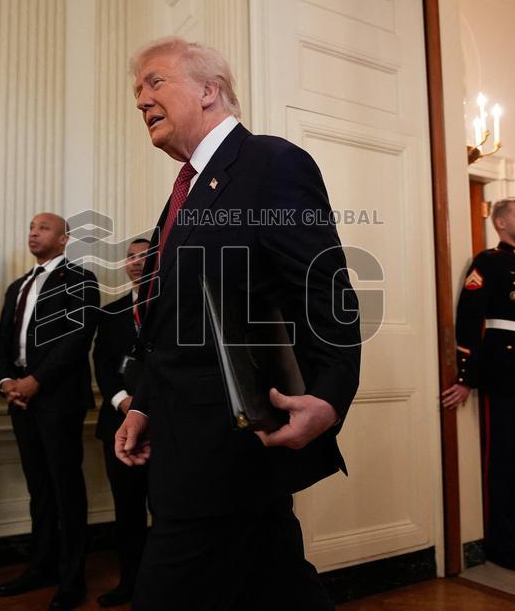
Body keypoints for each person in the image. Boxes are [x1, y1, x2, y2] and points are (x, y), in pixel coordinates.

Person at [116, 37, 361, 610]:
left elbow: (324, 287)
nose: (141, 100)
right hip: (189, 440)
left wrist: (329, 394)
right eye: (137, 91)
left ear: (209, 90)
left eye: (154, 82)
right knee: (276, 583)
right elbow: (174, 322)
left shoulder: (271, 163)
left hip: (223, 450)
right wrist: (147, 403)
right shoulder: (188, 190)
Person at [0, 212, 100, 610]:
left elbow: (77, 337)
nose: (33, 232)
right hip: (20, 399)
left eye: (43, 227)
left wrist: (36, 381)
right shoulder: (18, 286)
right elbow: (2, 340)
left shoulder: (81, 279)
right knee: (39, 489)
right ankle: (42, 566)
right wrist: (6, 383)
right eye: (31, 226)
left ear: (64, 238)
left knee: (65, 489)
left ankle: (72, 579)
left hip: (57, 399)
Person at [442, 197, 515, 573]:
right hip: (502, 375)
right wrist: (467, 377)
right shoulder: (488, 262)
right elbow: (469, 319)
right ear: (500, 222)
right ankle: (500, 543)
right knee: (500, 461)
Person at [92, 238, 151, 607]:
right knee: (127, 511)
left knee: (167, 509)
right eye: (130, 257)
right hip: (116, 425)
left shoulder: (173, 309)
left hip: (165, 427)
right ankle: (129, 582)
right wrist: (124, 402)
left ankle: (163, 583)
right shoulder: (111, 313)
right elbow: (102, 365)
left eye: (144, 256)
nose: (135, 262)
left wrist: (146, 406)